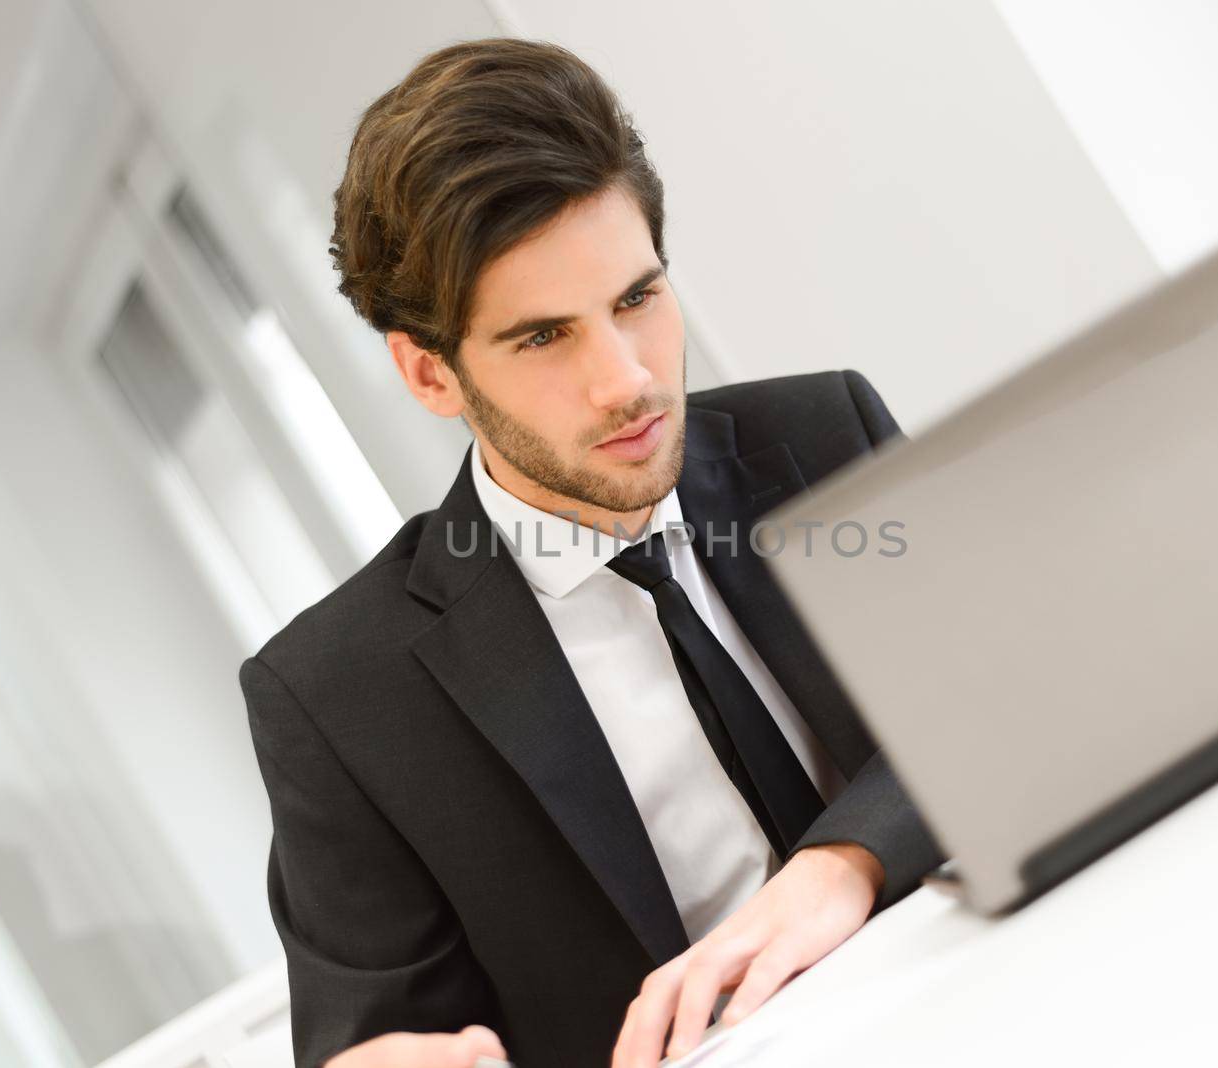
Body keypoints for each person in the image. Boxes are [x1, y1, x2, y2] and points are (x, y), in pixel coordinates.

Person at [238, 36, 944, 1068]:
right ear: (429, 375)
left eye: (635, 299)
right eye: (542, 337)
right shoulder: (338, 700)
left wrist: (842, 863)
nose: (626, 382)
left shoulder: (826, 436)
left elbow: (1006, 701)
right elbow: (381, 1041)